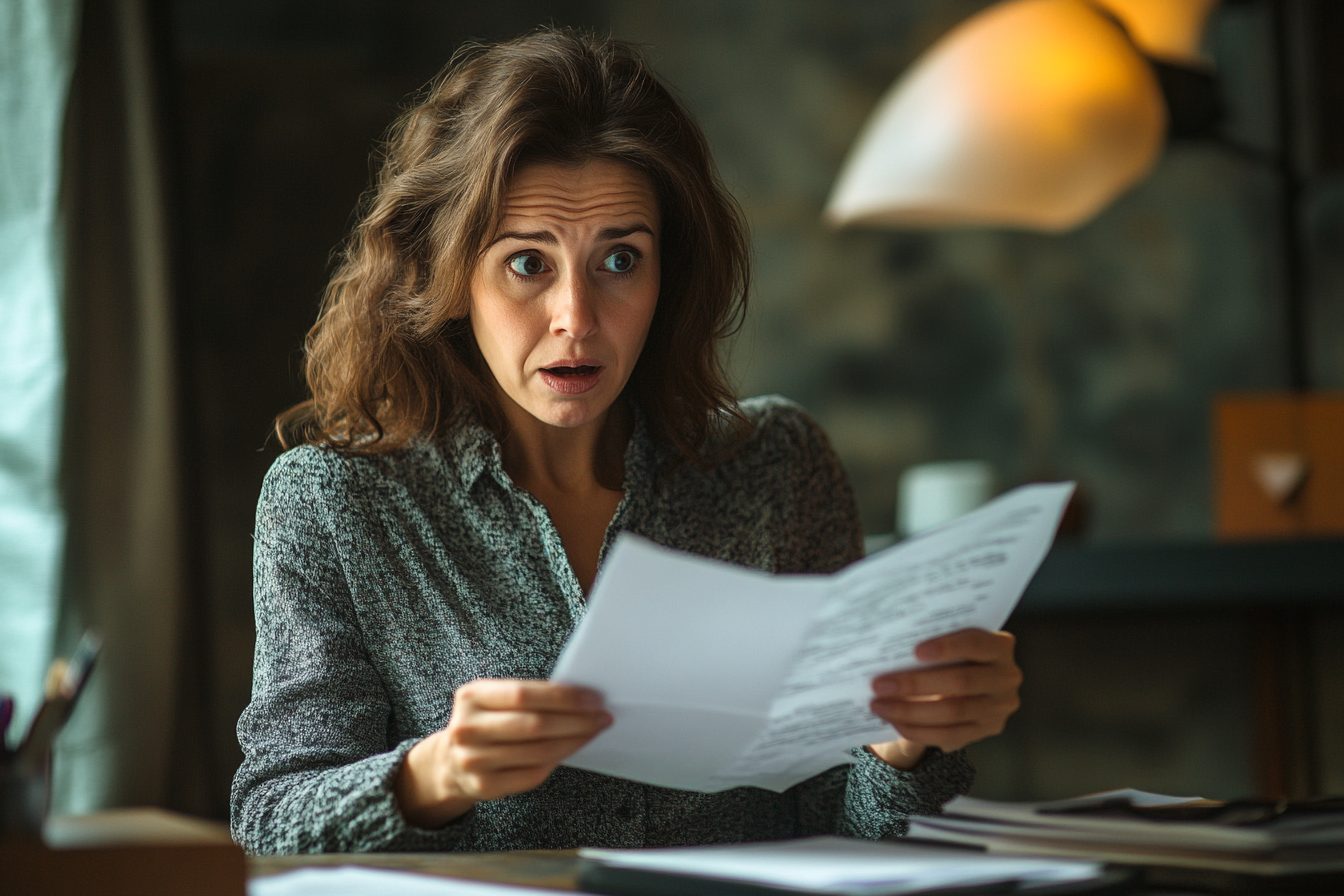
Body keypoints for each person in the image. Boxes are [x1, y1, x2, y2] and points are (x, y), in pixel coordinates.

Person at [231, 26, 1022, 855]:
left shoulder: (777, 468)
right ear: (446, 274)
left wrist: (906, 745)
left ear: (666, 277)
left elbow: (858, 832)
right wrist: (436, 775)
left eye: (619, 260)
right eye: (528, 265)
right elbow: (272, 819)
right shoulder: (333, 502)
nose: (577, 317)